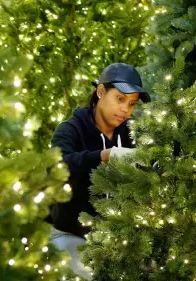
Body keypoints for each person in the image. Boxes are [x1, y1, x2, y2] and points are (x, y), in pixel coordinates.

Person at [49, 63, 151, 279]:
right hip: (70, 233)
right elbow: (58, 165)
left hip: (118, 239)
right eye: (120, 99)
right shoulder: (71, 129)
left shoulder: (134, 133)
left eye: (132, 104)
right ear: (101, 92)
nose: (126, 109)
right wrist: (104, 156)